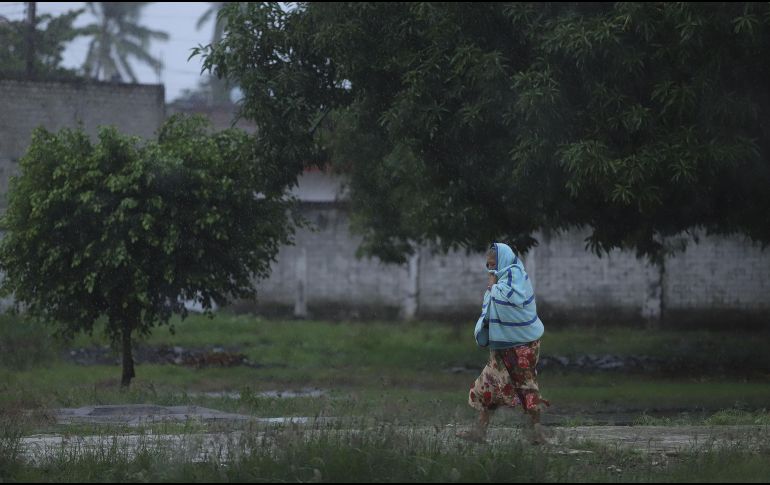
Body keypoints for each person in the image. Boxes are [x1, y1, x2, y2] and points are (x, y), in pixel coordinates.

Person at [457, 242, 550, 444]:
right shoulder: (501, 280)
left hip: (522, 346)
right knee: (489, 384)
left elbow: (513, 299)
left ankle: (538, 434)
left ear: (503, 261)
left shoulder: (516, 276)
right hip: (502, 345)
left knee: (526, 387)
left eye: (494, 265)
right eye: (488, 266)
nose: (491, 269)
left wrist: (493, 285)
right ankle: (479, 431)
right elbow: (492, 304)